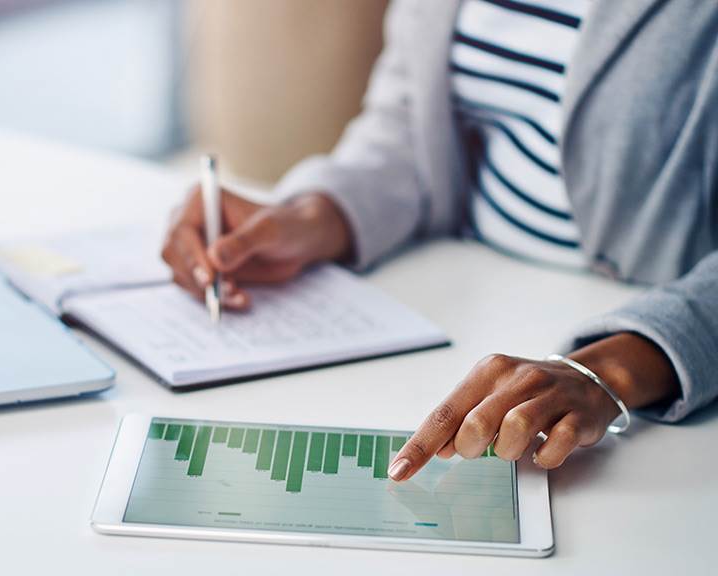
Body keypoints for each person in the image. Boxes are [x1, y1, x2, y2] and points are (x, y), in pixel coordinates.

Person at [162, 0, 718, 480]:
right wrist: (319, 212)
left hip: (663, 377)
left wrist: (619, 366)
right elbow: (409, 122)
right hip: (459, 300)